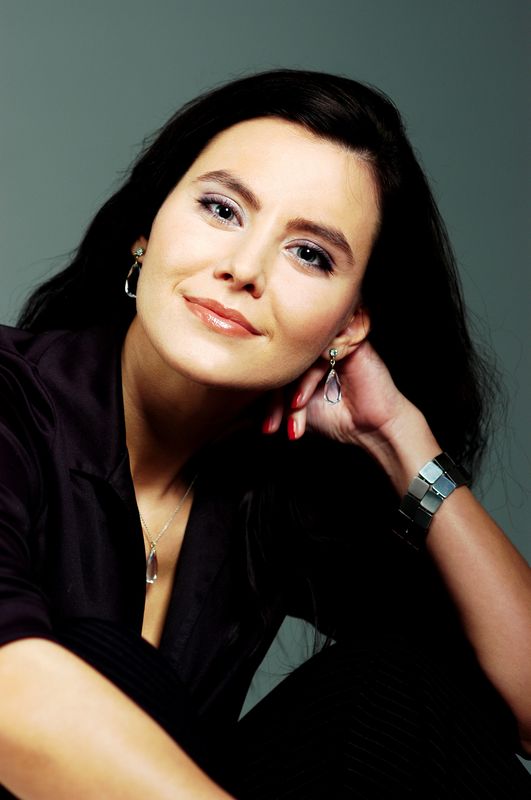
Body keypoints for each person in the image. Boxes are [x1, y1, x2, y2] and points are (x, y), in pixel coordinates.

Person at [0, 68, 529, 799]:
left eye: (309, 254)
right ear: (146, 231)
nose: (243, 268)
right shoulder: (13, 397)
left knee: (395, 687)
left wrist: (400, 440)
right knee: (103, 662)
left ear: (346, 326)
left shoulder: (276, 489)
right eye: (221, 209)